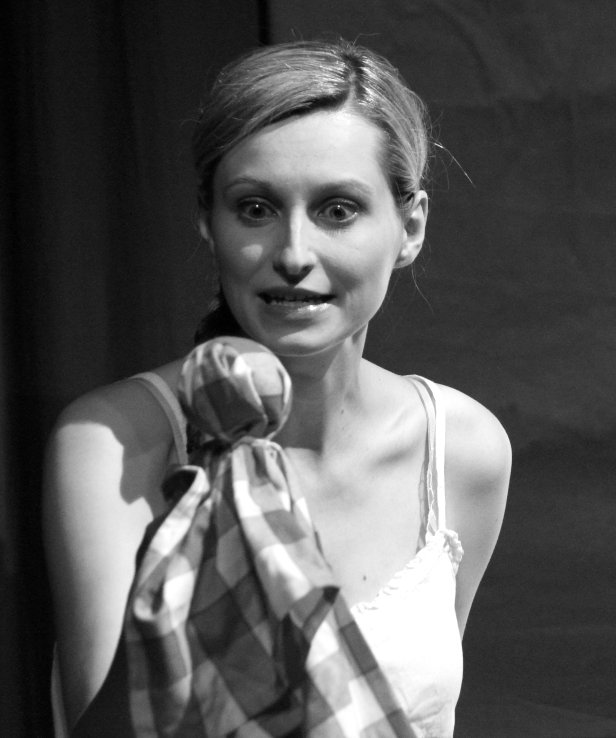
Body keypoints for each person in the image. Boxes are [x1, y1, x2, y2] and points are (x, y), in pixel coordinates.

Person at [43, 39, 511, 736]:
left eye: (338, 210)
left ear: (409, 227)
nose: (293, 253)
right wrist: (177, 603)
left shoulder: (463, 448)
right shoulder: (113, 442)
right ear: (208, 220)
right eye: (256, 208)